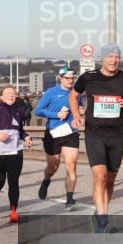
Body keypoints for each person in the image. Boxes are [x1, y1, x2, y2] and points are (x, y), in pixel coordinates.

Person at [70, 43, 123, 233]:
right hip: (95, 134)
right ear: (102, 59)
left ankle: (98, 214)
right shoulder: (89, 77)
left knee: (109, 181)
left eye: (117, 56)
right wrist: (76, 114)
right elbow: (73, 95)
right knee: (100, 177)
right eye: (110, 56)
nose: (114, 60)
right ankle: (103, 222)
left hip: (117, 136)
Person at [35, 67, 81, 209]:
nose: (71, 80)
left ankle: (69, 200)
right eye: (67, 78)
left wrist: (80, 114)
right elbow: (38, 110)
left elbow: (79, 108)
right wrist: (56, 115)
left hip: (70, 133)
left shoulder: (77, 94)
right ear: (60, 78)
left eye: (73, 77)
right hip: (53, 134)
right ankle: (46, 180)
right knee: (53, 167)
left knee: (71, 165)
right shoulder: (51, 93)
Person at [0, 85, 32, 223]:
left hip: (15, 152)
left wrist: (27, 137)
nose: (11, 95)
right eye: (7, 93)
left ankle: (13, 211)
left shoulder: (20, 111)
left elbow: (20, 130)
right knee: (0, 181)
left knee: (13, 182)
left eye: (13, 93)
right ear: (1, 97)